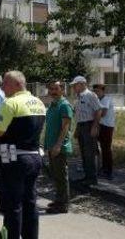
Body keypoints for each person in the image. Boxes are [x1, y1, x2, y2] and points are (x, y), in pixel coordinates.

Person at [0, 71, 46, 239]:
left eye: (6, 83)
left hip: (15, 158)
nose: (3, 87)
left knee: (13, 203)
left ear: (18, 84)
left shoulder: (11, 103)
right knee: (30, 201)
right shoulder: (39, 102)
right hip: (35, 156)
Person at [44, 81, 73, 214]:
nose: (53, 91)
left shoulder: (64, 105)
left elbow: (65, 127)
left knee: (61, 176)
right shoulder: (52, 105)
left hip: (59, 147)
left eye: (56, 89)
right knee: (56, 175)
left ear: (62, 90)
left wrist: (58, 145)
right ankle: (58, 200)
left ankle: (63, 204)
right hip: (51, 145)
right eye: (51, 89)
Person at [71, 76, 103, 185]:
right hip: (81, 126)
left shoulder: (90, 95)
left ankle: (92, 178)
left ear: (81, 84)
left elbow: (98, 111)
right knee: (84, 152)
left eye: (75, 85)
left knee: (89, 153)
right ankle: (87, 176)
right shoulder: (79, 97)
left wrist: (95, 126)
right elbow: (79, 115)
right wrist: (77, 129)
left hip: (89, 125)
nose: (73, 87)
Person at [93, 84, 116, 180]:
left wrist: (93, 113)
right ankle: (103, 168)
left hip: (107, 126)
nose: (96, 93)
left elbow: (103, 113)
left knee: (106, 148)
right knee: (100, 147)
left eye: (98, 91)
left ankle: (109, 171)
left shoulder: (106, 99)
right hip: (100, 126)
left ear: (103, 91)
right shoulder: (98, 100)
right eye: (94, 91)